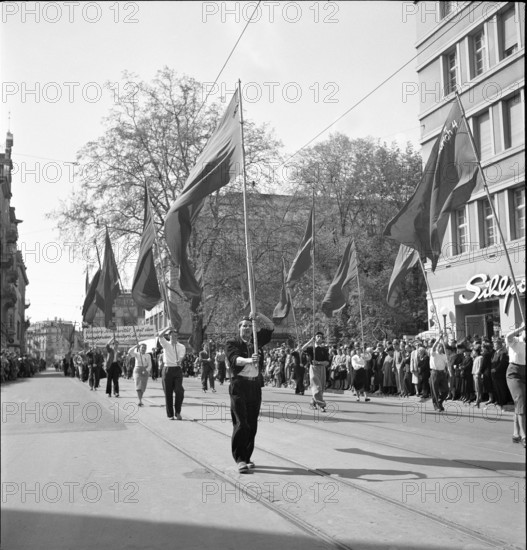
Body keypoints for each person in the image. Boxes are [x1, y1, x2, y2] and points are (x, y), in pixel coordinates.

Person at [225, 312, 274, 473]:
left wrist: (258, 315)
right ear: (239, 329)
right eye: (244, 325)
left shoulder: (256, 341)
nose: (246, 328)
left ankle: (247, 457)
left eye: (249, 326)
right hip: (239, 386)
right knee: (241, 423)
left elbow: (270, 326)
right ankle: (239, 459)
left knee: (252, 424)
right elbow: (234, 359)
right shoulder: (232, 342)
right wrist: (248, 360)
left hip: (254, 387)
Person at [158, 327, 186, 420]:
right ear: (169, 336)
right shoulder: (166, 344)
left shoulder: (181, 346)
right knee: (168, 393)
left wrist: (180, 360)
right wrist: (167, 328)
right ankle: (170, 414)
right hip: (167, 369)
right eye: (172, 335)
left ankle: (178, 412)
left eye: (175, 335)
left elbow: (181, 356)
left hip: (177, 369)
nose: (174, 337)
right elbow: (160, 335)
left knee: (180, 391)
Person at [505, 323, 526, 447]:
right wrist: (521, 328)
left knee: (520, 404)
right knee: (521, 400)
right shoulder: (515, 341)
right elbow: (508, 335)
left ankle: (516, 433)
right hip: (514, 374)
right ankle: (524, 436)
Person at [302, 331, 330, 411]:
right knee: (317, 386)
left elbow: (327, 362)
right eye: (318, 336)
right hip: (313, 368)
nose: (319, 338)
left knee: (321, 387)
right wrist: (310, 341)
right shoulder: (311, 349)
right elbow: (302, 349)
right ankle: (322, 405)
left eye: (321, 337)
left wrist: (318, 362)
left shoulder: (324, 349)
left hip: (322, 369)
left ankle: (313, 402)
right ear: (315, 338)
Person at [429, 335, 449, 412]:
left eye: (441, 347)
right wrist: (438, 340)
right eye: (439, 347)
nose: (440, 348)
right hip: (434, 372)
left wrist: (447, 370)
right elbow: (433, 347)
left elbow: (447, 364)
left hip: (442, 373)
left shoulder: (444, 355)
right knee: (435, 391)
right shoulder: (434, 353)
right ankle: (436, 406)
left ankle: (440, 402)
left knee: (446, 390)